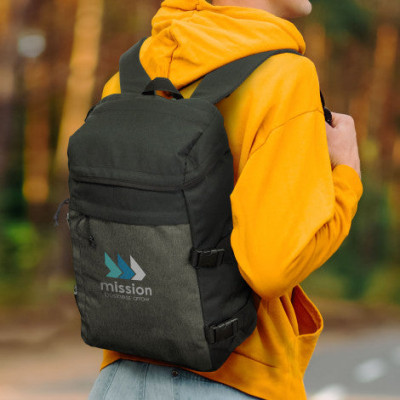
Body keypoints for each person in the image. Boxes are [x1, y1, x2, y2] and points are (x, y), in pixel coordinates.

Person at [88, 0, 362, 399]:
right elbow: (271, 268)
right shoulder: (285, 75)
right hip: (233, 376)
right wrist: (347, 174)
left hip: (119, 377)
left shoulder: (128, 75)